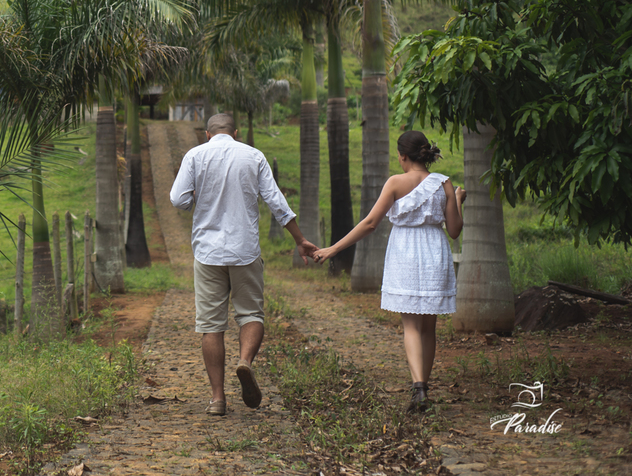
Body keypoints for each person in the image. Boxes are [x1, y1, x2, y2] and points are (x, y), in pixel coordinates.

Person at [170, 113, 319, 416]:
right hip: (245, 250)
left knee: (211, 325)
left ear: (208, 134)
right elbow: (277, 202)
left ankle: (217, 399)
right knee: (250, 313)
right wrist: (299, 240)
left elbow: (178, 200)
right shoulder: (253, 156)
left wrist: (193, 199)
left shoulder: (195, 155)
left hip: (207, 253)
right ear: (235, 133)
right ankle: (245, 362)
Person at [312, 130, 465, 412]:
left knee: (411, 325)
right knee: (428, 326)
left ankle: (418, 389)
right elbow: (454, 231)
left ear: (402, 156)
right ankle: (424, 388)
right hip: (434, 251)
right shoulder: (444, 183)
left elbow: (371, 223)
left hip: (405, 251)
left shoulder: (395, 182)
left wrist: (333, 249)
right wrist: (456, 199)